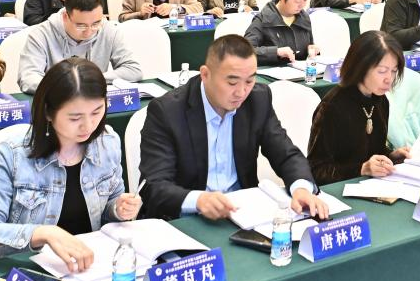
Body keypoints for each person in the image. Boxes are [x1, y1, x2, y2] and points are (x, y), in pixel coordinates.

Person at [0, 58, 141, 265]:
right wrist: (42, 233)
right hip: (30, 270)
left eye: (97, 111)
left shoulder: (107, 143)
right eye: (75, 118)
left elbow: (108, 209)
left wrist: (118, 209)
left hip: (89, 266)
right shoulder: (12, 155)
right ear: (48, 112)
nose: (88, 125)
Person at [138, 34, 328, 221]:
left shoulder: (257, 99)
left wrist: (301, 188)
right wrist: (198, 200)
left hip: (242, 214)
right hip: (186, 220)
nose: (241, 92)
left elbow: (286, 154)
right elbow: (154, 186)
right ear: (205, 75)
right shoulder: (167, 111)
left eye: (249, 81)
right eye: (232, 82)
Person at [306, 31, 409, 184]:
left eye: (394, 71)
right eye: (382, 71)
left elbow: (373, 151)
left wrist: (391, 156)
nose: (389, 79)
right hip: (339, 191)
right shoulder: (333, 107)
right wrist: (361, 169)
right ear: (360, 67)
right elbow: (316, 170)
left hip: (372, 186)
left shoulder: (380, 101)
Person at [18, 0, 142, 93]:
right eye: (81, 25)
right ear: (65, 16)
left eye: (96, 23)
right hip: (58, 100)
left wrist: (94, 79)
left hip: (94, 99)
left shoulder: (109, 30)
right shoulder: (41, 34)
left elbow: (133, 70)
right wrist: (69, 85)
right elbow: (28, 78)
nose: (89, 31)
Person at [244, 0, 319, 66]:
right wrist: (276, 52)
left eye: (305, 0)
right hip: (272, 72)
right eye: (297, 1)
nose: (302, 5)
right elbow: (245, 51)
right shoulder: (263, 19)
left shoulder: (304, 17)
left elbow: (310, 45)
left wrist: (312, 49)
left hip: (301, 72)